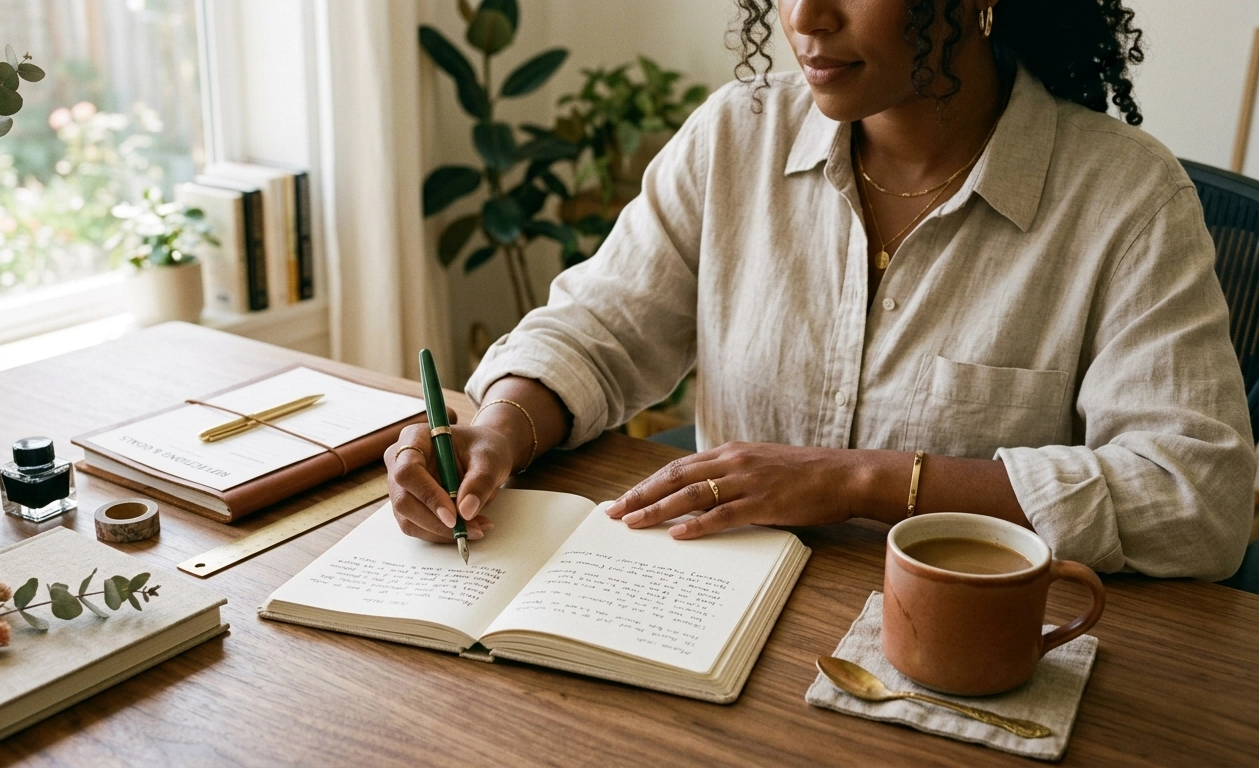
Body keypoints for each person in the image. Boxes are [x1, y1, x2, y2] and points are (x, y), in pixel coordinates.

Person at [386, 0, 1256, 581]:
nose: (806, 18)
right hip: (709, 610)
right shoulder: (738, 136)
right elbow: (600, 328)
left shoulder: (1126, 199)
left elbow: (1197, 498)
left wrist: (864, 483)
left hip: (954, 655)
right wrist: (500, 424)